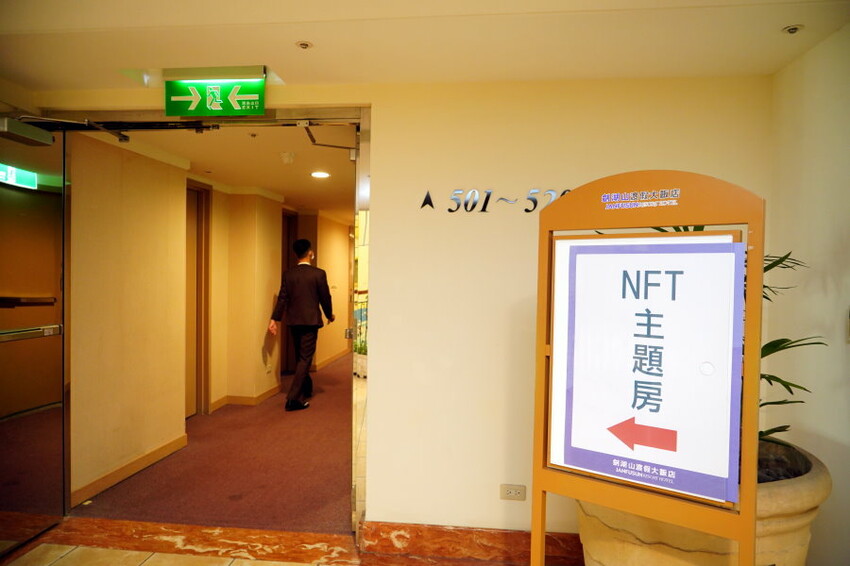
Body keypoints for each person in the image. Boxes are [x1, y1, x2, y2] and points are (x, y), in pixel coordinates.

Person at [268, 239, 335, 411]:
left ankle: (306, 387)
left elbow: (282, 298)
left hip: (294, 322)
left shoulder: (288, 274)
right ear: (310, 253)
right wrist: (329, 315)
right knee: (305, 359)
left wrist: (274, 319)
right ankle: (293, 400)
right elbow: (325, 297)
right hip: (310, 322)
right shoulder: (318, 274)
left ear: (296, 254)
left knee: (301, 357)